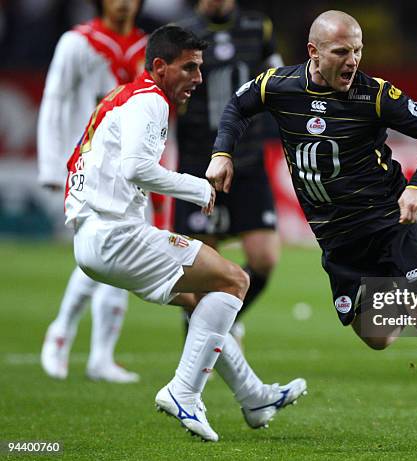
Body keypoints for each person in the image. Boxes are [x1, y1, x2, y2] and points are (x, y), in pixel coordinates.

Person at [207, 10, 417, 350]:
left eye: (357, 50)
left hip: (388, 220)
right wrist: (222, 153)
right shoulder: (279, 86)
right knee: (379, 338)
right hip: (337, 237)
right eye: (341, 52)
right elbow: (237, 105)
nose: (352, 61)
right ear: (313, 52)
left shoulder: (375, 95)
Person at [64, 24, 306, 442]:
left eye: (200, 68)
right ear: (159, 66)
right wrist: (198, 187)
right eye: (189, 68)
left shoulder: (122, 97)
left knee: (200, 300)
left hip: (92, 239)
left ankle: (254, 395)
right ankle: (183, 391)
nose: (198, 78)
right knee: (236, 279)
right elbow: (135, 169)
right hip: (115, 236)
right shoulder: (150, 102)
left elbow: (85, 165)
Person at [37, 0, 147, 382]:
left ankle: (100, 355)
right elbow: (55, 99)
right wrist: (50, 164)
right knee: (102, 251)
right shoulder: (77, 42)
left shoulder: (147, 47)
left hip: (128, 169)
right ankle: (62, 331)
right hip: (84, 161)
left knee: (122, 252)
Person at [174, 0, 284, 343]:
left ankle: (225, 318)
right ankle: (203, 334)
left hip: (247, 161)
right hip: (198, 165)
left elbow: (276, 81)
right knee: (200, 268)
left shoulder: (257, 28)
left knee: (264, 258)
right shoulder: (181, 34)